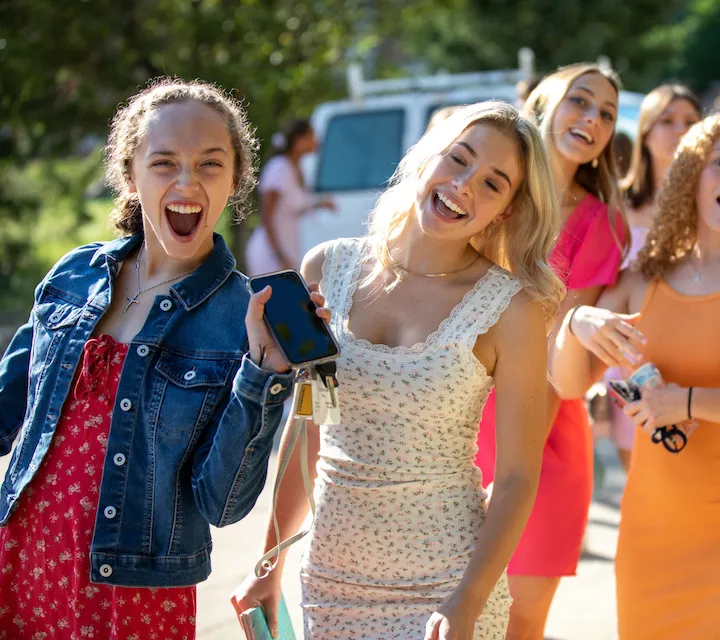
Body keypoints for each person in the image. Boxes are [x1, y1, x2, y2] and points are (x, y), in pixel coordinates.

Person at [0, 78, 331, 639]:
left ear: (235, 181)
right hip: (18, 561)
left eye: (209, 164)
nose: (187, 181)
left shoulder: (242, 319)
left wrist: (263, 375)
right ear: (130, 176)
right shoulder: (74, 274)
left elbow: (223, 505)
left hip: (132, 597)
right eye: (164, 163)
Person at [232, 101, 565, 639]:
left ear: (505, 211)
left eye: (492, 184)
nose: (463, 186)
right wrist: (268, 563)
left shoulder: (512, 308)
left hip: (448, 584)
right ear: (427, 155)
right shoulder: (327, 267)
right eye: (458, 159)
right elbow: (308, 426)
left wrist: (468, 602)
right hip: (331, 581)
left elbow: (517, 478)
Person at [550, 114, 720, 640]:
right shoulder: (642, 279)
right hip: (655, 531)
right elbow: (569, 384)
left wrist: (687, 401)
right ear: (692, 177)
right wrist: (575, 323)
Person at [474, 63, 629, 639]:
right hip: (450, 419)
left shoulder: (602, 222)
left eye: (606, 114)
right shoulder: (488, 193)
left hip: (542, 433)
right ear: (546, 103)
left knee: (519, 620)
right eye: (580, 101)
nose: (591, 119)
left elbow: (555, 345)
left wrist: (517, 468)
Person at [607, 84, 701, 470]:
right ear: (645, 131)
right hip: (630, 366)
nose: (680, 130)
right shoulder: (615, 206)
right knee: (638, 480)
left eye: (691, 122)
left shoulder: (709, 206)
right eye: (668, 121)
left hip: (696, 362)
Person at [245, 118, 335, 275]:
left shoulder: (296, 168)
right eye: (311, 136)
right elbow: (266, 217)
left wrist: (320, 204)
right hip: (270, 254)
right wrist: (280, 257)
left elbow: (293, 207)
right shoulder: (279, 168)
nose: (316, 141)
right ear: (298, 140)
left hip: (287, 252)